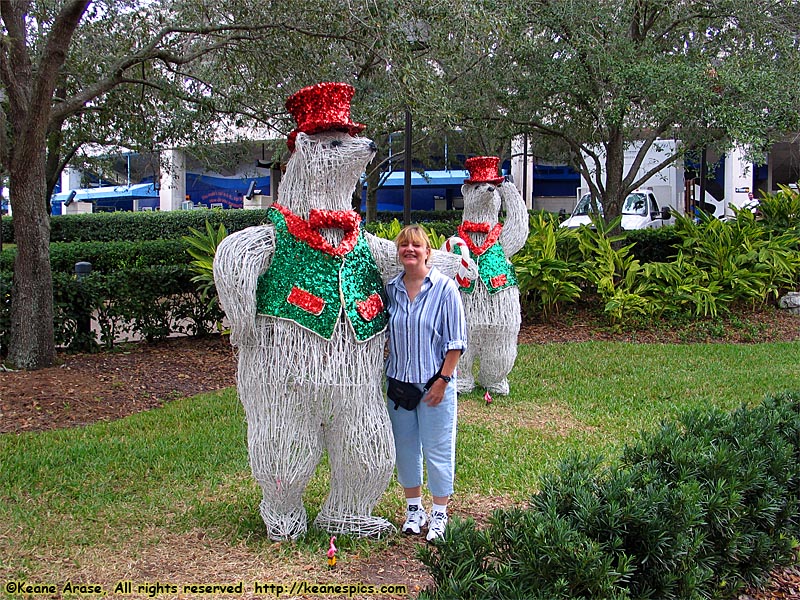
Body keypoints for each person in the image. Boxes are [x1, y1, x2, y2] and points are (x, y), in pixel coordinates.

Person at [385, 225, 467, 542]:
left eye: (416, 245)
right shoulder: (391, 289)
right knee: (406, 450)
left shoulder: (445, 289)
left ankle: (439, 514)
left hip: (435, 386)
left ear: (427, 251)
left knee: (438, 450)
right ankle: (413, 510)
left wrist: (443, 381)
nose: (410, 250)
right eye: (404, 245)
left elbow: (456, 342)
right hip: (401, 387)